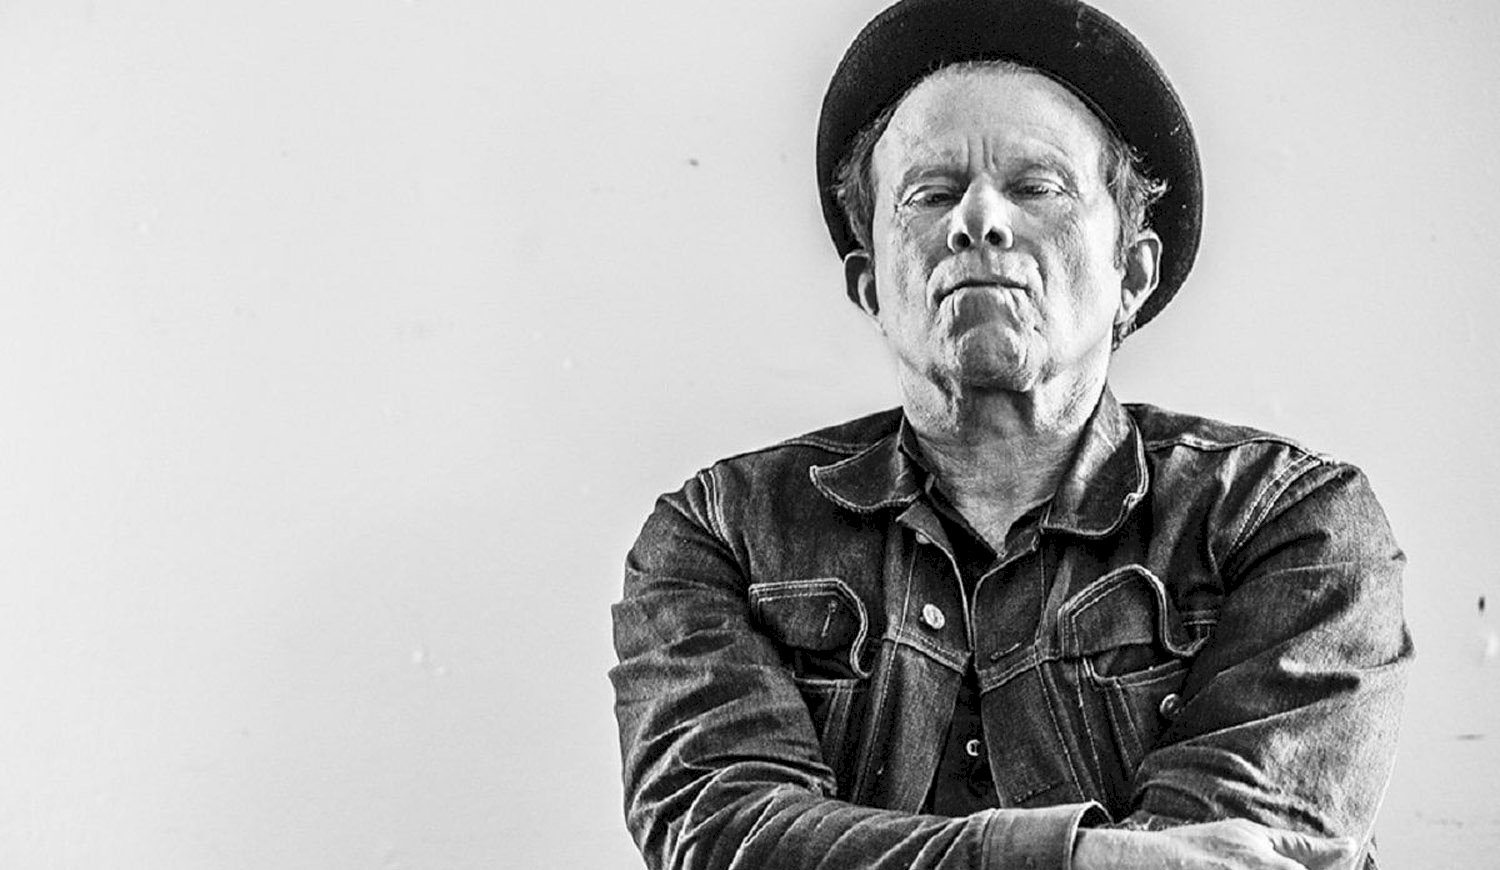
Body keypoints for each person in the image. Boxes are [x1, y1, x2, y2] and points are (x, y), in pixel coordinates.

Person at [608, 0, 1412, 867]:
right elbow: (725, 834)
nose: (978, 220)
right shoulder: (721, 531)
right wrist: (1083, 860)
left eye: (1037, 188)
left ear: (1132, 274)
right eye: (930, 193)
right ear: (870, 284)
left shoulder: (1290, 519)